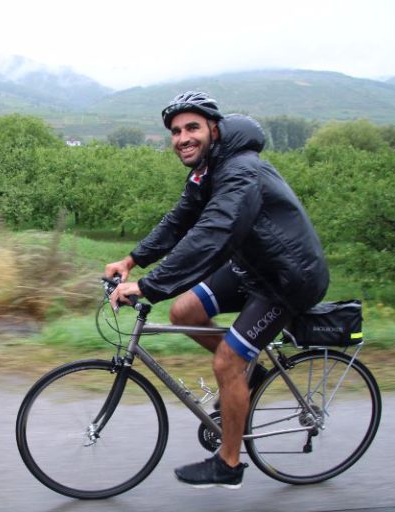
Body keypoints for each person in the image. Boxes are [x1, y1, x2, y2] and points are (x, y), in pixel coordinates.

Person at [105, 91, 329, 490]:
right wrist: (131, 261)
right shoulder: (207, 169)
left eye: (192, 127)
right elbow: (179, 221)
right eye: (175, 131)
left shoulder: (240, 170)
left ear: (214, 128)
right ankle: (253, 375)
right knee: (184, 312)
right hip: (252, 269)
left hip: (288, 280)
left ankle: (228, 464)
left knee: (227, 362)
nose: (182, 138)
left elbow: (214, 234)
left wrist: (149, 287)